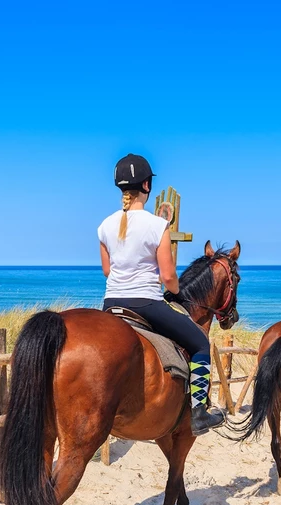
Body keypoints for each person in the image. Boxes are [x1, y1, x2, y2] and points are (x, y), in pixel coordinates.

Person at [99, 153, 225, 436]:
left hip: (110, 304)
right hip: (145, 303)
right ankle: (198, 412)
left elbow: (108, 271)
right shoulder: (157, 225)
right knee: (200, 344)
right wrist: (176, 291)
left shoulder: (105, 225)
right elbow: (168, 277)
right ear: (146, 185)